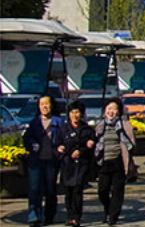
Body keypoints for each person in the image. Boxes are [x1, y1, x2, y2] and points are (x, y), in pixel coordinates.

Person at [23, 94, 65, 226]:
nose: (44, 107)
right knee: (34, 189)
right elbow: (26, 139)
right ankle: (34, 217)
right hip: (36, 161)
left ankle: (49, 216)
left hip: (52, 161)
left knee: (50, 190)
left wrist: (61, 147)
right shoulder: (34, 122)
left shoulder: (59, 122)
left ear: (51, 105)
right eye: (41, 104)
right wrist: (32, 144)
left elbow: (65, 138)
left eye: (46, 104)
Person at [94, 98, 136, 226]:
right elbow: (95, 141)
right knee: (102, 191)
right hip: (103, 161)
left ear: (119, 111)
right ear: (105, 110)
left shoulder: (124, 124)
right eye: (109, 108)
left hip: (118, 161)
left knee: (117, 191)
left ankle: (113, 216)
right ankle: (108, 210)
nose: (111, 112)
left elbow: (131, 143)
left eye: (114, 109)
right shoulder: (100, 125)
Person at [58, 101, 96, 227]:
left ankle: (76, 217)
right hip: (67, 165)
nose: (75, 115)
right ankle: (69, 216)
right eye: (72, 112)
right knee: (68, 192)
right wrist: (63, 150)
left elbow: (91, 147)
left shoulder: (87, 130)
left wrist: (83, 150)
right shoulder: (63, 129)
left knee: (78, 191)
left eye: (77, 112)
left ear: (82, 114)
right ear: (69, 114)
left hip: (81, 165)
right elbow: (58, 145)